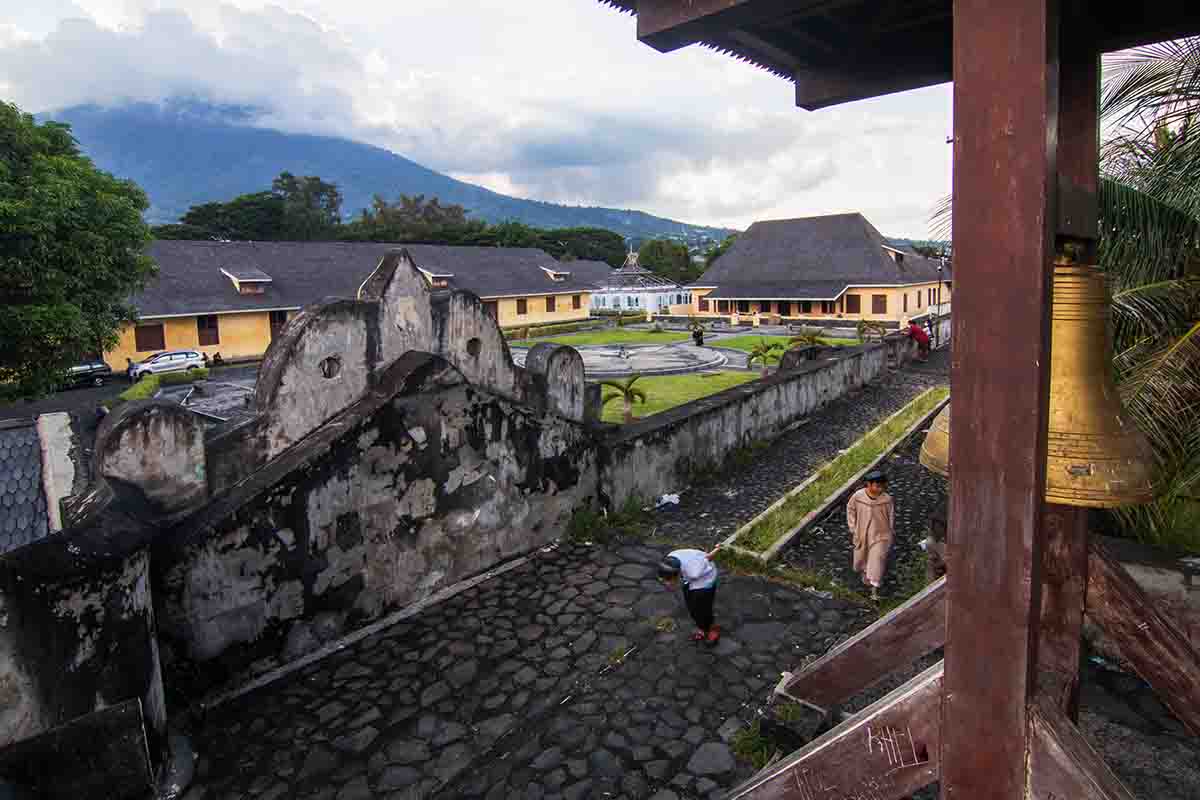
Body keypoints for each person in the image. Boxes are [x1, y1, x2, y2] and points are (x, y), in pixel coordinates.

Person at [658, 544, 722, 644]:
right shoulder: (670, 558)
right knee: (692, 607)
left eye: (669, 580)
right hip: (689, 576)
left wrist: (718, 548)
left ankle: (712, 629)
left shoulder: (694, 572)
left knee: (703, 607)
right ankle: (703, 627)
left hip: (705, 580)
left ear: (677, 574)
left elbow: (708, 558)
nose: (666, 583)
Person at [846, 470, 895, 600]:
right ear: (868, 484)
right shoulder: (858, 497)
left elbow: (890, 518)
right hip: (862, 533)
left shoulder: (886, 499)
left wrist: (890, 534)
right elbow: (850, 509)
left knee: (877, 561)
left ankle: (874, 592)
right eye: (877, 486)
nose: (880, 489)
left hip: (881, 536)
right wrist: (853, 527)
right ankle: (867, 577)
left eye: (882, 486)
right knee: (863, 558)